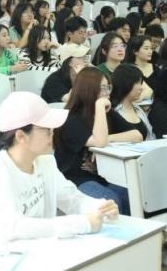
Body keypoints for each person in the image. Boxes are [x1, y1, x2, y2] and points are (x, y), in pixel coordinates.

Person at [0, 92, 118, 252]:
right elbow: (14, 227)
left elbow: (72, 198)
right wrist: (81, 223)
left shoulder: (45, 162)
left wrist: (99, 208)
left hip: (34, 254)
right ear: (21, 136)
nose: (53, 134)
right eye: (47, 130)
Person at [52, 68, 131, 215]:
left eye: (108, 87)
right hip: (75, 179)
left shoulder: (107, 112)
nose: (107, 92)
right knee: (109, 200)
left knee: (129, 193)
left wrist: (109, 138)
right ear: (88, 89)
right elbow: (99, 142)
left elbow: (138, 134)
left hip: (103, 176)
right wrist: (99, 106)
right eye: (103, 88)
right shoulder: (70, 119)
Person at [107, 65, 154, 141]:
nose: (141, 88)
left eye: (141, 83)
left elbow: (150, 137)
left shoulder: (138, 109)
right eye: (137, 83)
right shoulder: (111, 111)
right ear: (126, 83)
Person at [125, 35, 155, 100]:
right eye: (146, 48)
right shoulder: (129, 70)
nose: (150, 51)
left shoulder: (156, 68)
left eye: (151, 48)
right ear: (135, 51)